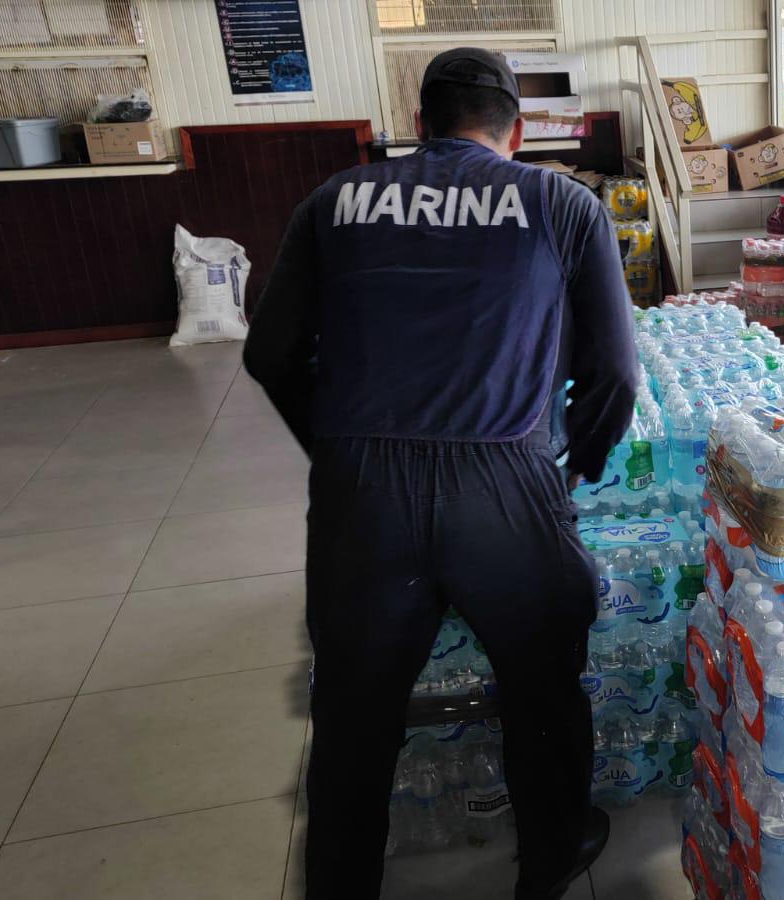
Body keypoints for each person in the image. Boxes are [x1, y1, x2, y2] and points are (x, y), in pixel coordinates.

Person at [243, 47, 636, 899]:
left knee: (354, 715)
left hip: (363, 495)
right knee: (542, 690)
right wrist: (579, 470)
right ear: (517, 133)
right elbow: (614, 374)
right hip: (506, 484)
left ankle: (343, 884)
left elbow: (269, 351)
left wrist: (340, 450)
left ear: (418, 126)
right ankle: (548, 860)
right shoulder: (561, 203)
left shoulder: (332, 201)